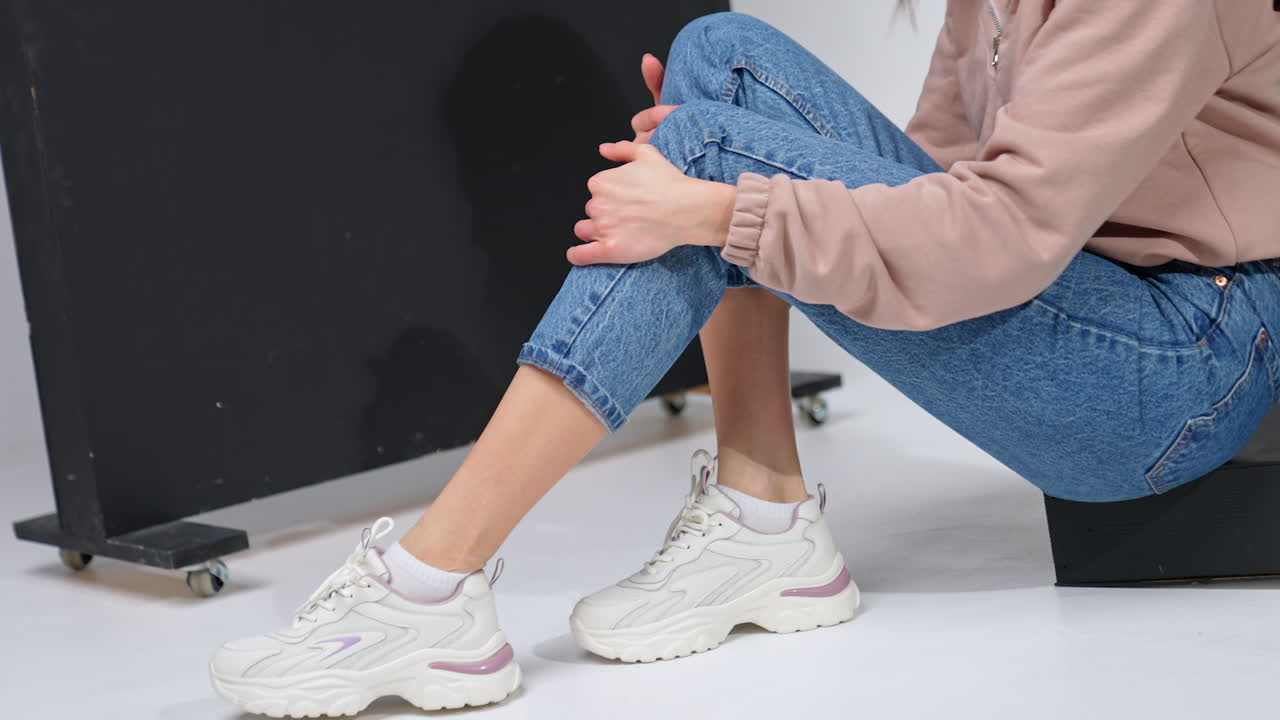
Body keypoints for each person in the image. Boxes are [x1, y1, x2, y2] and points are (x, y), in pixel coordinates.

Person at [209, 3, 1280, 716]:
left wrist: (718, 202)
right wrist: (736, 162)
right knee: (714, 63)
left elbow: (995, 237)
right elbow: (933, 172)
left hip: (1181, 367)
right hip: (1087, 302)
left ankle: (428, 588)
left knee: (707, 156)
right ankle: (763, 513)